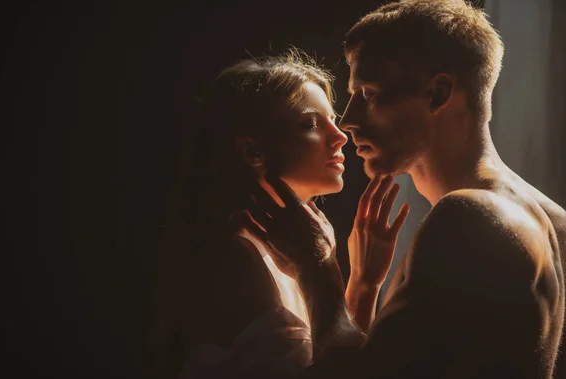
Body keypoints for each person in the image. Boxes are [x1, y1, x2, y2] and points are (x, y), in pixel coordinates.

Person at [263, 0, 565, 378]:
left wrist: (317, 267)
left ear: (438, 93)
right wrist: (363, 285)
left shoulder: (472, 218)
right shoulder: (553, 223)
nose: (348, 121)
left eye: (370, 94)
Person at [150, 49, 409, 379]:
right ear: (253, 152)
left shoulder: (280, 254)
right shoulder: (235, 257)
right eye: (310, 124)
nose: (341, 135)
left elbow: (339, 364)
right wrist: (320, 266)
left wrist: (363, 283)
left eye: (333, 119)